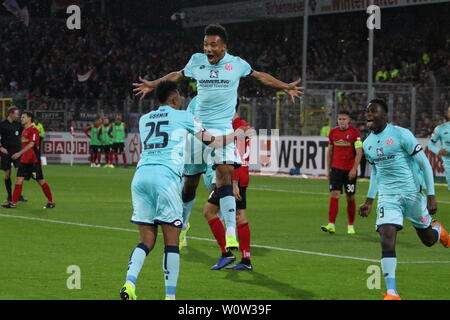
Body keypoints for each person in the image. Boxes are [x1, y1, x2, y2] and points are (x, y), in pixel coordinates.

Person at [133, 24, 303, 251]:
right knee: (189, 186)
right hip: (198, 128)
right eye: (205, 44)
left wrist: (285, 87)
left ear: (224, 46)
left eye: (213, 45)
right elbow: (177, 75)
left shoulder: (237, 64)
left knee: (225, 172)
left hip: (223, 128)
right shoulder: (196, 61)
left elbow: (260, 77)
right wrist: (154, 84)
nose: (208, 49)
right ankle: (183, 226)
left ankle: (231, 232)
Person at [119, 81, 250, 300]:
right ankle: (170, 298)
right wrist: (235, 136)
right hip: (166, 178)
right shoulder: (183, 117)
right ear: (173, 99)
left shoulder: (144, 119)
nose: (180, 102)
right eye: (178, 99)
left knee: (146, 241)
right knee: (171, 242)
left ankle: (129, 283)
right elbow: (215, 143)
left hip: (140, 177)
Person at [359, 99, 449, 300]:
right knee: (387, 238)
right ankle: (392, 292)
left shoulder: (401, 134)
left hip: (412, 194)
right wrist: (369, 200)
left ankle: (437, 230)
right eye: (367, 112)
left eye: (373, 111)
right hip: (388, 197)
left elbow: (424, 164)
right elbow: (376, 172)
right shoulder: (367, 143)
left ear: (384, 115)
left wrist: (431, 195)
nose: (368, 115)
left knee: (428, 240)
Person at [203, 110, 254, 270]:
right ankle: (243, 259)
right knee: (237, 216)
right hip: (242, 173)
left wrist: (234, 182)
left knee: (211, 212)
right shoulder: (245, 126)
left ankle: (228, 254)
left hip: (233, 176)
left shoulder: (233, 127)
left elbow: (234, 155)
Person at [322, 110, 362, 234]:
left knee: (350, 197)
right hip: (336, 169)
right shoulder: (333, 133)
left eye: (344, 119)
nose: (342, 122)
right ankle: (331, 225)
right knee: (334, 194)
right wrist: (328, 169)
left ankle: (350, 226)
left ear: (349, 120)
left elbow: (359, 152)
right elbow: (329, 151)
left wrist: (354, 168)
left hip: (349, 171)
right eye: (340, 119)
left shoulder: (355, 133)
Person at [2, 112, 55, 209]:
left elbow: (31, 144)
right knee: (18, 180)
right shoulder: (24, 131)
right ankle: (13, 203)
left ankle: (51, 202)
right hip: (24, 161)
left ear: (29, 118)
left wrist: (19, 153)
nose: (21, 118)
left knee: (41, 181)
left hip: (33, 161)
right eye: (21, 117)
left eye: (23, 117)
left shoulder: (34, 130)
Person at [0, 106, 27, 203]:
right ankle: (9, 196)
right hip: (6, 152)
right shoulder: (2, 124)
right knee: (7, 174)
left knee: (20, 174)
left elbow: (23, 135)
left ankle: (18, 195)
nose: (18, 115)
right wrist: (1, 148)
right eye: (16, 113)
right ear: (11, 113)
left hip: (17, 152)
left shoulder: (18, 125)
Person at [427, 106, 450, 190]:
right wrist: (438, 151)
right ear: (448, 114)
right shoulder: (440, 129)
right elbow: (430, 145)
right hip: (448, 162)